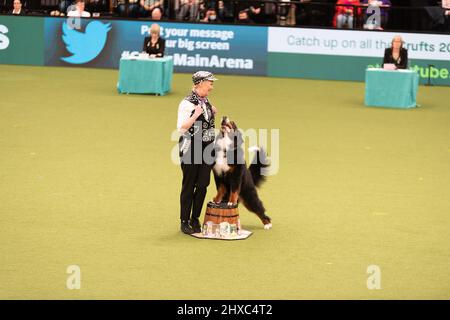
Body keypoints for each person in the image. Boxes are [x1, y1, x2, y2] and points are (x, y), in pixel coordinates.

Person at [177, 71, 218, 235]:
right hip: (190, 148)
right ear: (200, 83)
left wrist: (211, 112)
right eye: (210, 82)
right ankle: (184, 221)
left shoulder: (206, 101)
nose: (212, 86)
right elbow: (182, 128)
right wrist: (195, 115)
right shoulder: (186, 103)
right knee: (189, 185)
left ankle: (195, 218)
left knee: (202, 185)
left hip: (207, 149)